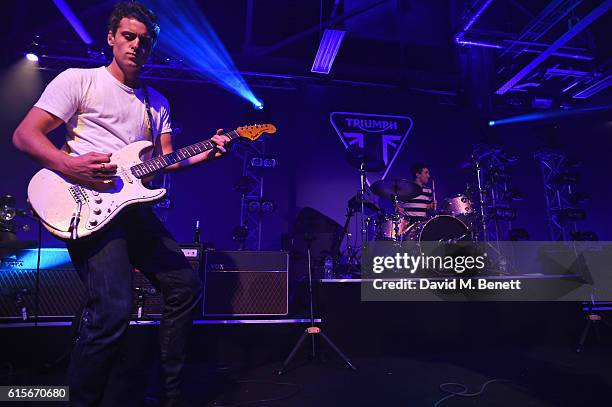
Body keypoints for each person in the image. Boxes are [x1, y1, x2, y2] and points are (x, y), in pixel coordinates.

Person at [12, 2, 229, 406]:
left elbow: (163, 162)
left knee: (184, 286)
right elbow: (25, 135)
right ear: (111, 38)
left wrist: (205, 154)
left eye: (144, 41)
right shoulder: (79, 80)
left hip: (132, 209)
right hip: (86, 206)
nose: (135, 45)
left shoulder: (157, 102)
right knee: (113, 309)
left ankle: (170, 392)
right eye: (128, 36)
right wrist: (70, 166)